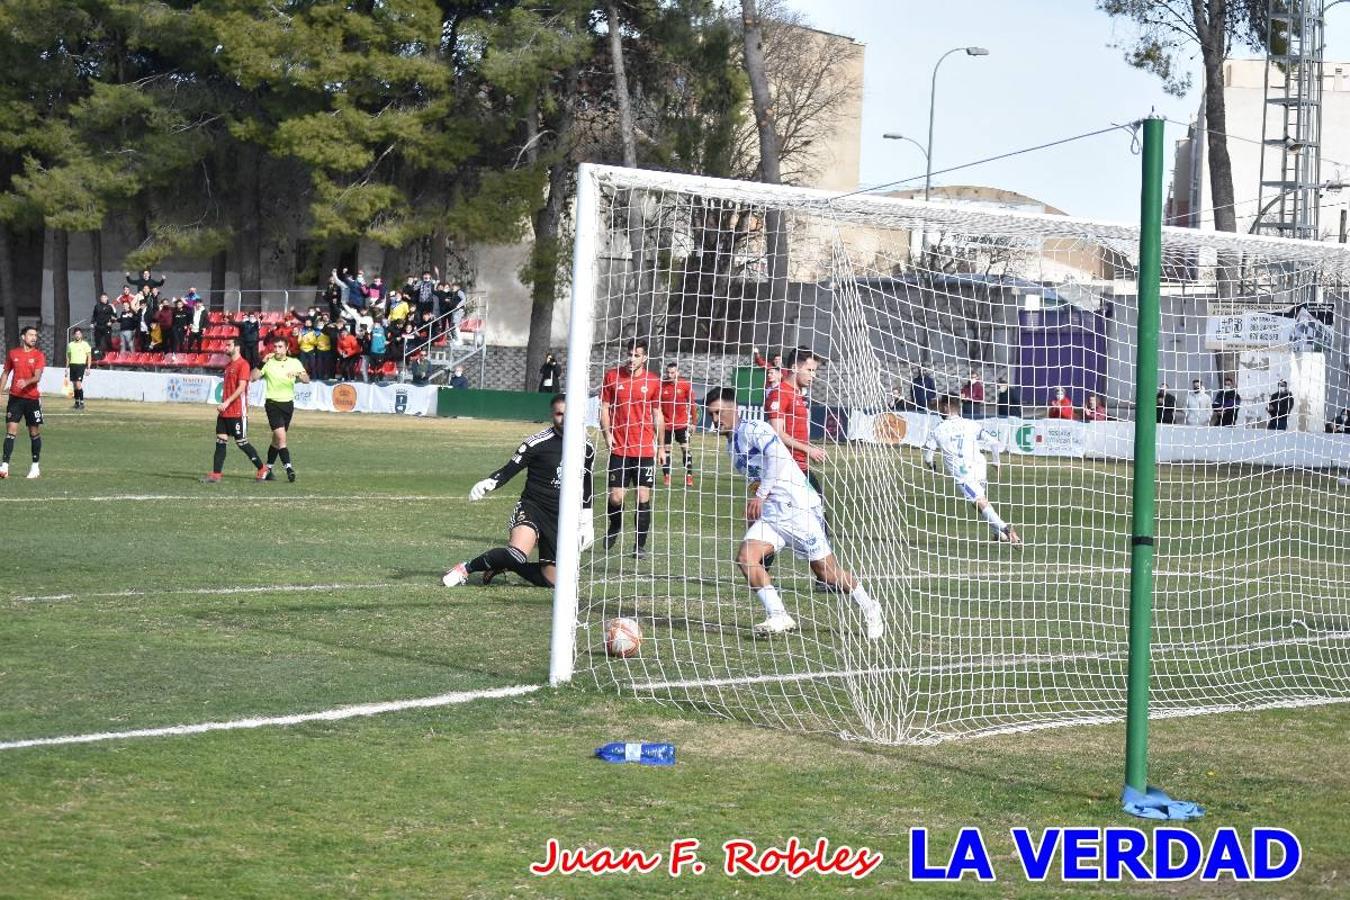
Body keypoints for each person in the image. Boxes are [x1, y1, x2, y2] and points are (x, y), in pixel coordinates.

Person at [703, 386, 883, 639]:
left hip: (798, 509)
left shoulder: (756, 428)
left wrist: (760, 495)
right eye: (711, 414)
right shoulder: (731, 447)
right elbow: (758, 476)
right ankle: (778, 614)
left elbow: (778, 457)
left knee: (827, 574)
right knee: (746, 557)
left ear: (734, 409)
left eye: (719, 412)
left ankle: (870, 606)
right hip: (773, 515)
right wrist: (761, 501)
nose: (715, 419)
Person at [443, 394, 595, 588]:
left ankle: (503, 565)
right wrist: (489, 482)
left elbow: (587, 484)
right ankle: (465, 568)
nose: (564, 418)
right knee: (516, 554)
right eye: (559, 413)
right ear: (552, 415)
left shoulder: (586, 447)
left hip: (560, 517)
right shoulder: (536, 442)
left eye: (569, 414)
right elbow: (509, 470)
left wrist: (587, 520)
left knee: (553, 581)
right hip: (533, 507)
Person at [924, 394, 1022, 547]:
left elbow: (928, 457)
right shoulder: (971, 424)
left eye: (940, 408)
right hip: (979, 467)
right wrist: (996, 462)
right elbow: (995, 443)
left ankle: (1006, 530)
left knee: (979, 502)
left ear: (944, 407)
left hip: (963, 474)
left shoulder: (937, 430)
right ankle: (997, 533)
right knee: (979, 503)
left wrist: (932, 467)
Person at [599, 338, 665, 558]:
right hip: (620, 448)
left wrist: (662, 446)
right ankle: (615, 525)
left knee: (642, 497)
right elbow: (605, 407)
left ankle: (639, 546)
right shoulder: (612, 376)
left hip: (645, 449)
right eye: (629, 354)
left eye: (636, 355)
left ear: (645, 357)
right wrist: (607, 434)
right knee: (616, 497)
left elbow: (657, 414)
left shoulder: (653, 381)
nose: (631, 358)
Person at [203, 337, 267, 483]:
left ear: (237, 347)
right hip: (225, 412)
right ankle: (216, 474)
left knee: (242, 443)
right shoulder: (228, 365)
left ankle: (262, 468)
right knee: (220, 441)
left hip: (237, 411)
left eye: (228, 345)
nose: (225, 347)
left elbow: (242, 387)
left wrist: (227, 402)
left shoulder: (243, 364)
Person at [250, 336, 310, 482]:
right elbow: (252, 377)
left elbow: (307, 379)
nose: (276, 350)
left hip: (288, 405)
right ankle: (289, 468)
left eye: (280, 347)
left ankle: (267, 469)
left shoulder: (294, 362)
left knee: (276, 441)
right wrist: (262, 362)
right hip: (272, 404)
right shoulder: (268, 362)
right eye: (275, 347)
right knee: (282, 438)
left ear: (287, 348)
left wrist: (299, 374)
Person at [1, 325, 46, 479]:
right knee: (11, 430)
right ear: (23, 337)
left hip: (32, 399)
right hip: (15, 398)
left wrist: (26, 382)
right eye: (31, 335)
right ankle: (4, 467)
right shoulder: (13, 353)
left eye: (35, 335)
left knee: (34, 432)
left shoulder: (39, 355)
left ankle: (35, 467)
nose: (34, 338)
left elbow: (37, 377)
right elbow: (6, 373)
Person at [659, 360, 696, 488]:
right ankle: (667, 476)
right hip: (666, 425)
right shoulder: (661, 386)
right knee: (666, 451)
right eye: (668, 372)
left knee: (685, 449)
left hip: (682, 424)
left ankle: (689, 476)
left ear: (677, 373)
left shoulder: (685, 385)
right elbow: (656, 406)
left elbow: (692, 404)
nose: (669, 375)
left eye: (672, 373)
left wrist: (693, 422)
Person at [66, 327, 92, 410]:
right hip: (72, 365)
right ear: (74, 335)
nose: (77, 335)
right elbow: (68, 357)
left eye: (79, 334)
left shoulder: (85, 344)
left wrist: (88, 367)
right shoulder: (70, 345)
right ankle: (77, 402)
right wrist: (66, 367)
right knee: (74, 385)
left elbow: (89, 356)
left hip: (80, 366)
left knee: (78, 384)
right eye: (76, 334)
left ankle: (82, 402)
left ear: (81, 335)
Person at [90, 293, 116, 358]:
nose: (103, 299)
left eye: (105, 297)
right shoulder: (97, 306)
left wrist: (111, 322)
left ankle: (111, 355)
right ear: (100, 299)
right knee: (97, 342)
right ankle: (98, 356)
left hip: (107, 327)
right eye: (102, 297)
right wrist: (92, 323)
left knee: (108, 341)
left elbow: (114, 316)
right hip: (98, 326)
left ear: (107, 298)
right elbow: (94, 315)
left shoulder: (110, 306)